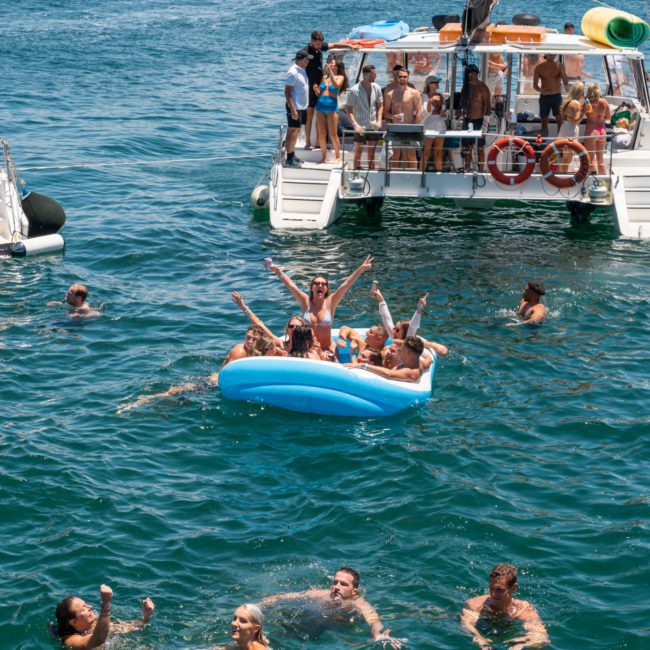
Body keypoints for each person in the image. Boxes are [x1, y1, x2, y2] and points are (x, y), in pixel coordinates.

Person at [260, 566, 403, 648]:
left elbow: (373, 619)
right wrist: (261, 605)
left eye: (343, 584)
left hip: (328, 630)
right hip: (305, 620)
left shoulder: (358, 603)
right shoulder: (319, 594)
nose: (337, 587)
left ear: (354, 591)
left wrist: (378, 635)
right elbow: (285, 597)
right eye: (335, 582)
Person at [267, 255, 373, 352]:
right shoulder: (305, 301)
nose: (320, 285)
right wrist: (276, 270)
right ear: (312, 288)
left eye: (323, 284)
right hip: (309, 349)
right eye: (316, 283)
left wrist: (361, 268)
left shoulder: (331, 302)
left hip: (328, 349)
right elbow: (290, 285)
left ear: (326, 289)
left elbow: (346, 284)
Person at [461, 563, 549, 649]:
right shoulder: (475, 604)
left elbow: (542, 637)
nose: (493, 594)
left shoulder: (523, 609)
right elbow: (466, 624)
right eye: (491, 588)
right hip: (482, 628)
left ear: (513, 588)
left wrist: (522, 644)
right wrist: (479, 638)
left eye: (499, 590)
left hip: (508, 634)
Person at [52, 584, 154, 648]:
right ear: (73, 622)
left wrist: (145, 617)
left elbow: (125, 628)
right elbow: (97, 640)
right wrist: (105, 605)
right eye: (83, 608)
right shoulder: (70, 640)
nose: (90, 606)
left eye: (86, 603)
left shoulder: (92, 624)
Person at [304, 31, 357, 150]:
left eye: (320, 44)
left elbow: (334, 45)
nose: (319, 46)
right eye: (317, 44)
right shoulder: (306, 51)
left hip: (321, 83)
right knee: (310, 114)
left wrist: (348, 46)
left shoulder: (321, 46)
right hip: (311, 85)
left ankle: (318, 142)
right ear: (312, 41)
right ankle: (308, 141)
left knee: (320, 114)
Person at [371, 287, 448, 356]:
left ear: (405, 333)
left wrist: (419, 310)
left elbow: (413, 326)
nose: (393, 331)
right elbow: (386, 316)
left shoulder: (408, 339)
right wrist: (381, 299)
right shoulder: (394, 335)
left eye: (397, 330)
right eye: (394, 328)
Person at [231, 291, 303, 353]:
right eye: (291, 326)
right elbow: (260, 325)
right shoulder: (281, 344)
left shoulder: (308, 347)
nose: (294, 329)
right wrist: (243, 307)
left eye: (298, 327)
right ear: (287, 330)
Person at [346, 64, 384, 170]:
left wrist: (379, 120)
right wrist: (355, 125)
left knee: (371, 152)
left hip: (373, 125)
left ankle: (371, 173)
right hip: (360, 125)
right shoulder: (354, 90)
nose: (376, 76)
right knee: (358, 151)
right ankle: (355, 173)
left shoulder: (376, 87)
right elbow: (349, 110)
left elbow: (380, 105)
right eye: (374, 74)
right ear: (367, 75)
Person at [384, 68, 422, 169]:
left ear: (408, 78)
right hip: (396, 128)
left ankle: (414, 178)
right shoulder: (390, 94)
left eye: (405, 77)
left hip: (410, 128)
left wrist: (415, 128)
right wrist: (393, 116)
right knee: (396, 155)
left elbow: (419, 112)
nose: (402, 79)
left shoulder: (414, 93)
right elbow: (385, 113)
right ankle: (394, 178)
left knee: (411, 155)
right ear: (397, 77)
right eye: (400, 76)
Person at [314, 57, 349, 164]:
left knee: (333, 134)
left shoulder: (340, 77)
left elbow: (336, 85)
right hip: (320, 106)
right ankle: (324, 156)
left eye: (332, 64)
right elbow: (319, 92)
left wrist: (330, 72)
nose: (330, 65)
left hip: (331, 107)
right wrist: (316, 89)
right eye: (330, 64)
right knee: (321, 133)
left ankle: (338, 156)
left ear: (337, 66)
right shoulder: (324, 77)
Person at [354, 335, 425, 382]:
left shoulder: (410, 372)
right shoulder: (418, 363)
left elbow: (389, 374)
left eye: (402, 350)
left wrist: (364, 365)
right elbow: (428, 362)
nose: (400, 352)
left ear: (409, 353)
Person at [460, 64, 491, 171]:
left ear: (477, 73)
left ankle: (481, 171)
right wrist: (460, 114)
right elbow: (461, 104)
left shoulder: (483, 87)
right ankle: (467, 169)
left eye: (474, 72)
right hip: (467, 121)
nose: (472, 74)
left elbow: (488, 107)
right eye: (470, 72)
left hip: (479, 121)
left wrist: (485, 125)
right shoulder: (465, 87)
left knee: (480, 148)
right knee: (467, 148)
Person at [285, 49, 313, 168]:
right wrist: (292, 109)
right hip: (295, 106)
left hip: (301, 106)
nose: (308, 62)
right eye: (306, 60)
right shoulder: (293, 72)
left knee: (296, 131)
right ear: (301, 60)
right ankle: (289, 158)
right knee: (293, 131)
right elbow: (287, 93)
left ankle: (292, 154)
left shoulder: (302, 70)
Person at [533, 54, 569, 137]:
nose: (552, 55)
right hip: (544, 98)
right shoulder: (539, 67)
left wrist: (562, 71)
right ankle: (544, 142)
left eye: (553, 54)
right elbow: (535, 85)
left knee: (560, 121)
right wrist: (540, 90)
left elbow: (566, 82)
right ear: (546, 55)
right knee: (544, 123)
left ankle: (559, 142)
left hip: (556, 96)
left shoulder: (560, 66)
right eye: (550, 53)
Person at [583, 82, 610, 175]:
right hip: (602, 131)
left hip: (592, 131)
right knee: (600, 159)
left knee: (590, 159)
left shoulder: (587, 102)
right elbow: (608, 118)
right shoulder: (604, 102)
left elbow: (585, 114)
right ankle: (603, 181)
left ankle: (593, 181)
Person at [420, 75, 446, 172]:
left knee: (438, 152)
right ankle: (421, 174)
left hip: (440, 124)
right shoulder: (424, 96)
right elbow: (425, 112)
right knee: (426, 152)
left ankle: (439, 174)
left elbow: (442, 111)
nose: (437, 84)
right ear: (429, 84)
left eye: (437, 82)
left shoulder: (441, 96)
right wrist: (431, 101)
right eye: (435, 82)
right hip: (428, 125)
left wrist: (443, 113)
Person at [558, 82, 585, 172]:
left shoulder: (568, 101)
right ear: (580, 92)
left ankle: (562, 173)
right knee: (567, 158)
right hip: (570, 130)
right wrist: (584, 112)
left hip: (565, 127)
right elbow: (575, 121)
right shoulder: (576, 103)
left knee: (566, 157)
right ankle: (563, 175)